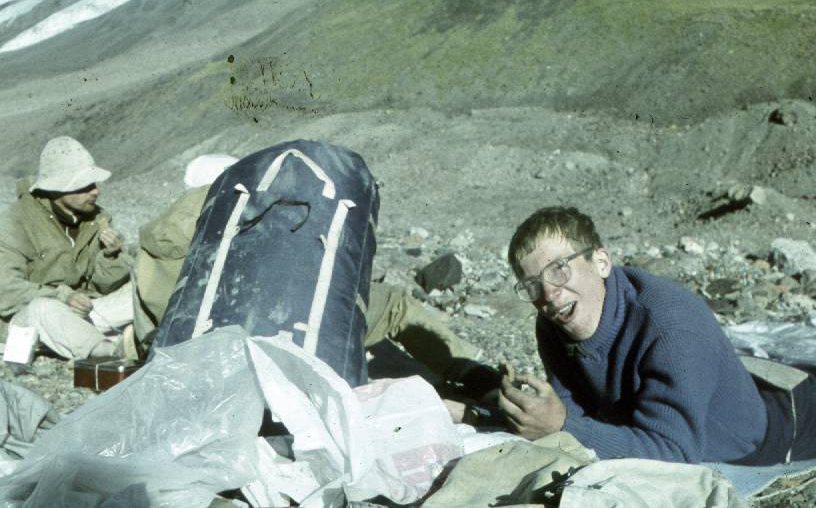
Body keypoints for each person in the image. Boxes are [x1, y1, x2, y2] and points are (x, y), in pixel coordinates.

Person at [133, 154, 500, 397]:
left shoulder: (156, 237)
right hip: (270, 331)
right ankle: (474, 375)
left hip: (191, 357)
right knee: (393, 305)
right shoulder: (237, 213)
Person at [496, 205, 816, 465]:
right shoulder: (553, 322)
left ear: (601, 262)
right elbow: (574, 409)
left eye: (559, 268)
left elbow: (674, 451)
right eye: (532, 285)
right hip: (687, 414)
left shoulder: (669, 323)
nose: (549, 294)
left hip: (777, 437)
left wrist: (561, 427)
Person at [0, 136, 136, 361]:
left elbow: (101, 286)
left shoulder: (96, 219)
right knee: (43, 308)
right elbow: (6, 291)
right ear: (56, 189)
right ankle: (110, 352)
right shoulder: (15, 221)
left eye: (94, 184)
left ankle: (152, 339)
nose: (95, 191)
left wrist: (110, 256)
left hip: (82, 311)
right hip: (32, 318)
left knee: (140, 286)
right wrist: (62, 297)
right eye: (84, 185)